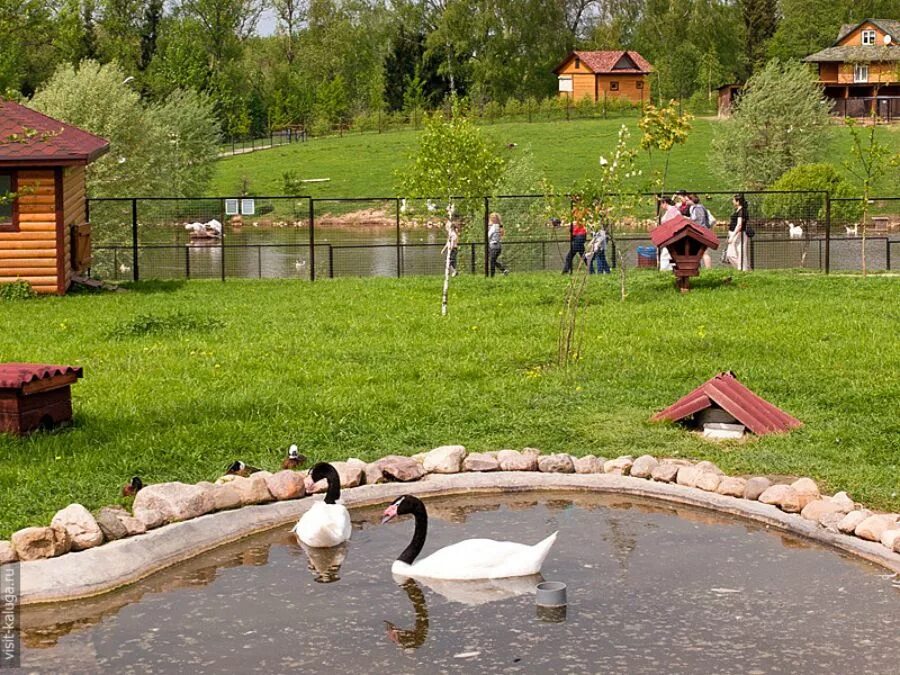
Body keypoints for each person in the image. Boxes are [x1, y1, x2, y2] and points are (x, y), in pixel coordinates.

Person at [688, 193, 716, 269]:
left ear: (691, 200)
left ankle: (708, 269)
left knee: (704, 252)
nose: (686, 201)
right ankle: (697, 268)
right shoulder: (695, 207)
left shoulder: (698, 208)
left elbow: (700, 221)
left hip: (701, 232)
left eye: (688, 200)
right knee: (697, 252)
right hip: (699, 232)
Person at [726, 193, 751, 271]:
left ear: (738, 201)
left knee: (740, 253)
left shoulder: (742, 211)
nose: (732, 201)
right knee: (730, 255)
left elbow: (739, 225)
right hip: (734, 233)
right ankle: (742, 269)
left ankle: (743, 270)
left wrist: (733, 236)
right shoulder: (738, 210)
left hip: (739, 234)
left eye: (733, 200)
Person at [487, 212, 508, 277]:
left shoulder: (494, 227)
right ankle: (504, 270)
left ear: (493, 219)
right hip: (497, 246)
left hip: (494, 246)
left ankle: (492, 276)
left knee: (492, 261)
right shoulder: (499, 226)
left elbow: (488, 236)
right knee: (493, 260)